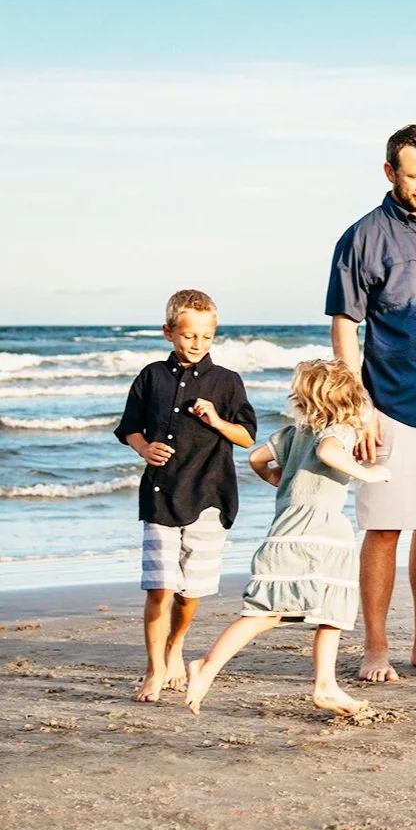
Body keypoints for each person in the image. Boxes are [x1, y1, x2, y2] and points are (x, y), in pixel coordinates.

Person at [326, 124, 416, 682]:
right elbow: (345, 328)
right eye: (415, 176)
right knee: (384, 528)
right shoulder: (361, 237)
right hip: (387, 404)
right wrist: (356, 406)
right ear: (390, 172)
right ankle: (377, 648)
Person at [185, 359, 389, 717]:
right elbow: (329, 453)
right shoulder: (340, 430)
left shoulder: (296, 433)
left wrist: (279, 480)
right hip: (320, 531)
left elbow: (256, 458)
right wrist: (368, 474)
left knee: (278, 611)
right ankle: (211, 667)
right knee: (326, 611)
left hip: (287, 529)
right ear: (349, 399)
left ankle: (322, 685)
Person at [114, 289, 257, 703]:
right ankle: (155, 668)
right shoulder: (150, 377)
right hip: (161, 495)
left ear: (214, 335)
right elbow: (129, 427)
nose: (197, 344)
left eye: (206, 337)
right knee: (158, 587)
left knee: (189, 592)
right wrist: (143, 448)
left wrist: (215, 418)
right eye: (188, 335)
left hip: (209, 495)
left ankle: (176, 645)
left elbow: (247, 438)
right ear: (168, 332)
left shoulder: (227, 382)